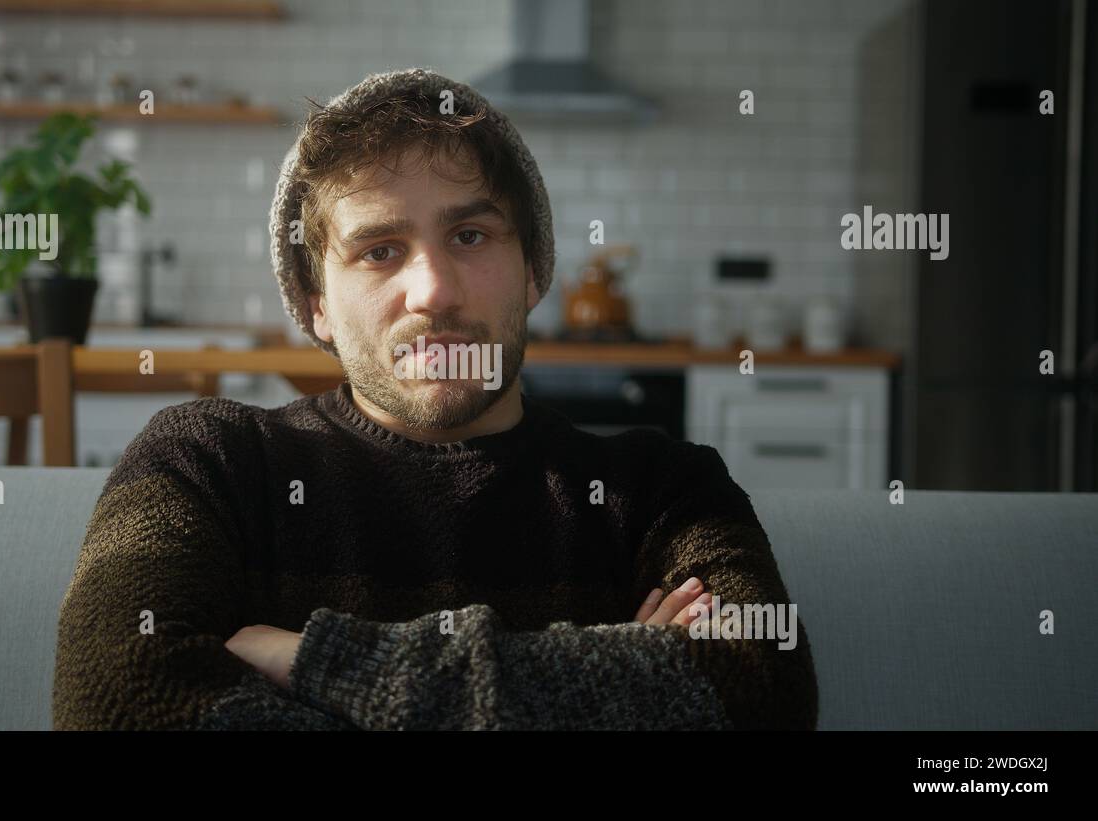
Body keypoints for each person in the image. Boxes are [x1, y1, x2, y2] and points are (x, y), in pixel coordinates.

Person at [51, 67, 818, 731]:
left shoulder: (667, 490)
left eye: (472, 236)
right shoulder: (206, 462)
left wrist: (317, 662)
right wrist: (617, 680)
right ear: (316, 301)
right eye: (380, 250)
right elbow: (113, 701)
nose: (435, 291)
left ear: (533, 269)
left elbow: (765, 691)